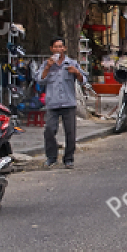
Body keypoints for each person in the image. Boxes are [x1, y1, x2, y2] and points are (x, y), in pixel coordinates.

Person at [40, 37, 88, 169]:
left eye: (60, 46)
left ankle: (68, 158)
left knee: (70, 132)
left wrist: (77, 72)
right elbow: (39, 80)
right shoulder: (46, 64)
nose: (58, 49)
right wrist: (48, 67)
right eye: (55, 47)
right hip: (52, 103)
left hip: (68, 103)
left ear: (64, 48)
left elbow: (84, 80)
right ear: (51, 49)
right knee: (49, 130)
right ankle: (51, 157)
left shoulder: (71, 63)